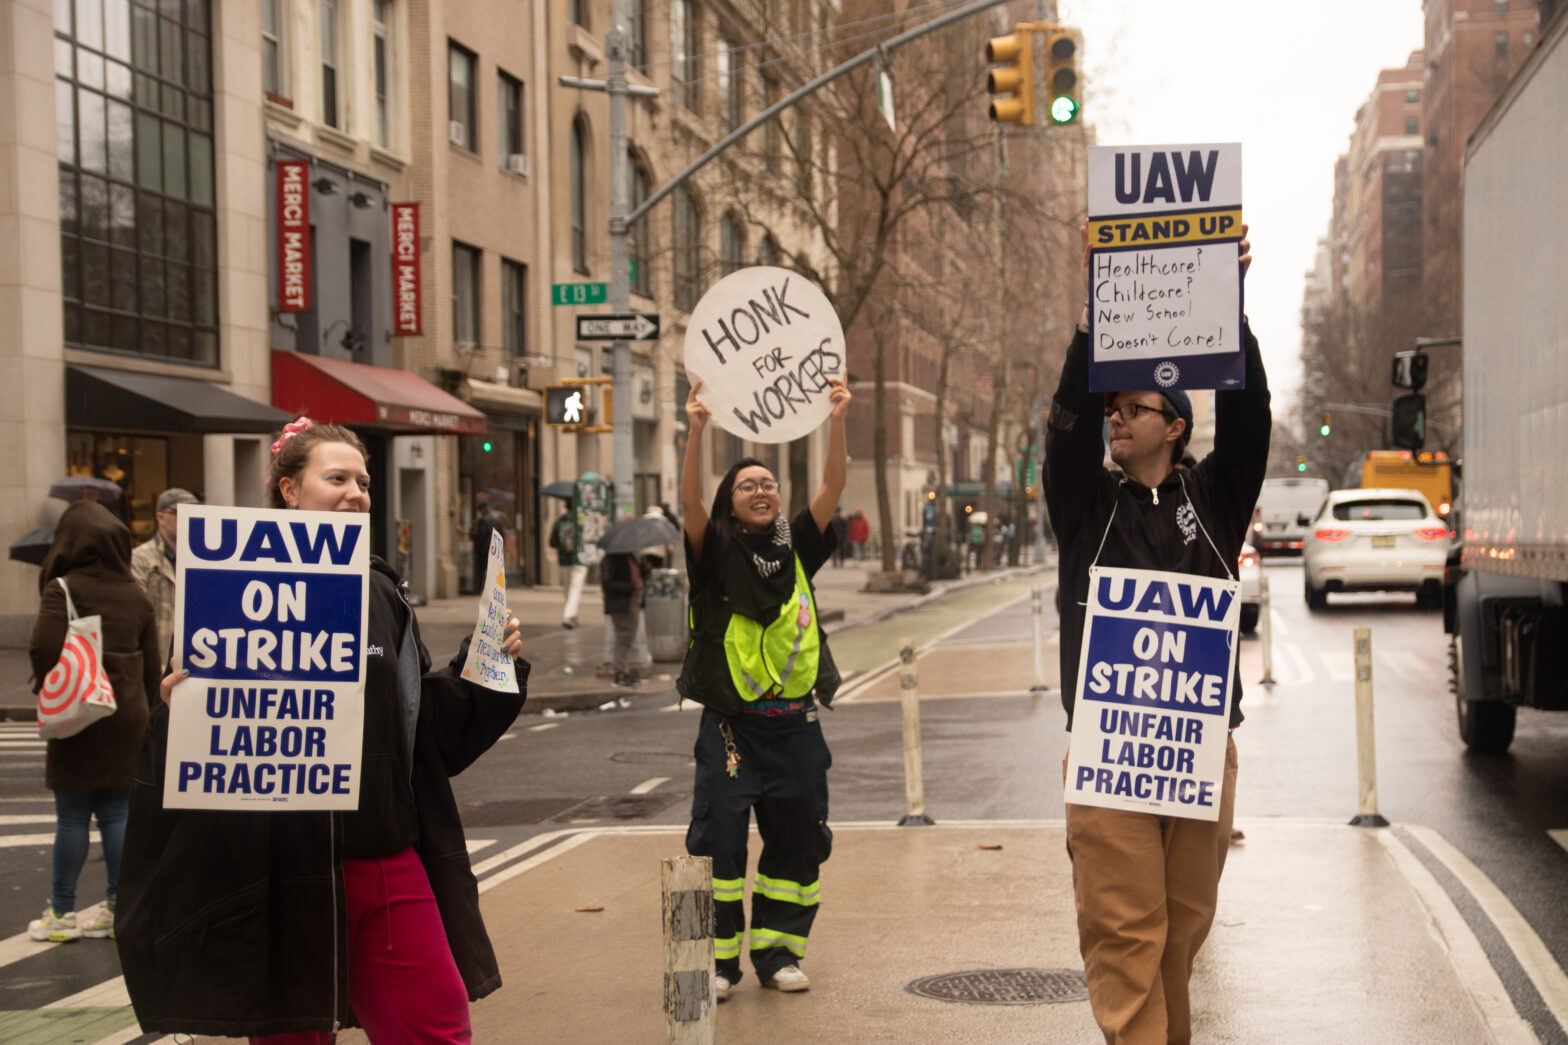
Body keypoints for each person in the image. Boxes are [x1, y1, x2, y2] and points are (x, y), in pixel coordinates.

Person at [115, 417, 529, 1043]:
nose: (356, 493)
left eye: (363, 482)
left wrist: (486, 668)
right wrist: (180, 714)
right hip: (276, 872)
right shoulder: (225, 584)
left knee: (437, 1025)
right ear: (288, 490)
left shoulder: (381, 592)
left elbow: (422, 734)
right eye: (336, 478)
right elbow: (201, 747)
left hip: (383, 860)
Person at [1045, 225, 1267, 1045]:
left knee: (1181, 923)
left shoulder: (1214, 498)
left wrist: (1232, 308)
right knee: (1123, 926)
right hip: (1110, 753)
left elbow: (1251, 421)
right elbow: (1063, 425)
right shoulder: (1085, 507)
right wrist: (1091, 320)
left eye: (1132, 408)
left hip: (1200, 747)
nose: (1116, 419)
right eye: (1114, 408)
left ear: (1174, 424)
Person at [677, 376, 850, 1001]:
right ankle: (713, 964)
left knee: (800, 838)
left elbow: (832, 487)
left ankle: (778, 953)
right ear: (731, 502)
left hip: (795, 727)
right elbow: (690, 504)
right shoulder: (713, 550)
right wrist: (696, 431)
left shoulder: (797, 544)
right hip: (730, 727)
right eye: (747, 484)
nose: (761, 489)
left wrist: (836, 418)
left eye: (769, 483)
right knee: (715, 844)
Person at [26, 501, 160, 943]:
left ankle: (62, 912)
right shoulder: (136, 594)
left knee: (71, 816)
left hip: (79, 714)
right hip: (128, 716)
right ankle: (115, 906)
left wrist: (51, 684)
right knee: (117, 813)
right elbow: (152, 667)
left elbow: (43, 650)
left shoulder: (63, 588)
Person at [129, 487, 198, 663]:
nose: (188, 518)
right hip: (156, 663)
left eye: (193, 512)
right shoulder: (140, 560)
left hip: (195, 665)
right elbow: (136, 618)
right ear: (160, 517)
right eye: (179, 512)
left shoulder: (205, 560)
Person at [601, 550, 645, 687]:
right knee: (623, 637)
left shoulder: (630, 556)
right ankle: (620, 672)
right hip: (620, 603)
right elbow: (607, 582)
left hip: (631, 601)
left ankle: (623, 671)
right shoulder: (612, 558)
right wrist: (632, 586)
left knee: (628, 637)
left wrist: (645, 569)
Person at [549, 507, 585, 629]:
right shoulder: (580, 520)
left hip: (563, 560)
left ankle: (572, 617)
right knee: (575, 590)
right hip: (579, 560)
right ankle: (569, 616)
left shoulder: (559, 521)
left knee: (568, 590)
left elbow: (552, 542)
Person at [470, 493, 505, 595]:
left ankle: (479, 590)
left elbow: (481, 535)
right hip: (495, 550)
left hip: (484, 550)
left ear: (482, 509)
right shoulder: (496, 520)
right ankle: (493, 591)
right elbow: (501, 535)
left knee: (481, 571)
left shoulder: (483, 521)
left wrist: (476, 542)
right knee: (493, 572)